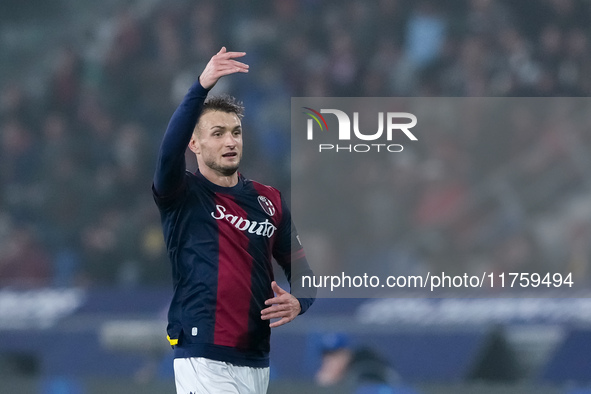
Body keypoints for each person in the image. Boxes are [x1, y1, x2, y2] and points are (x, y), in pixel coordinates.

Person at [152, 47, 315, 394]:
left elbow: (305, 276)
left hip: (257, 359)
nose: (230, 141)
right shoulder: (183, 194)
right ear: (194, 144)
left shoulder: (269, 200)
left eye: (236, 132)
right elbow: (167, 152)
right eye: (218, 133)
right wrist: (201, 86)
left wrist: (300, 301)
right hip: (203, 354)